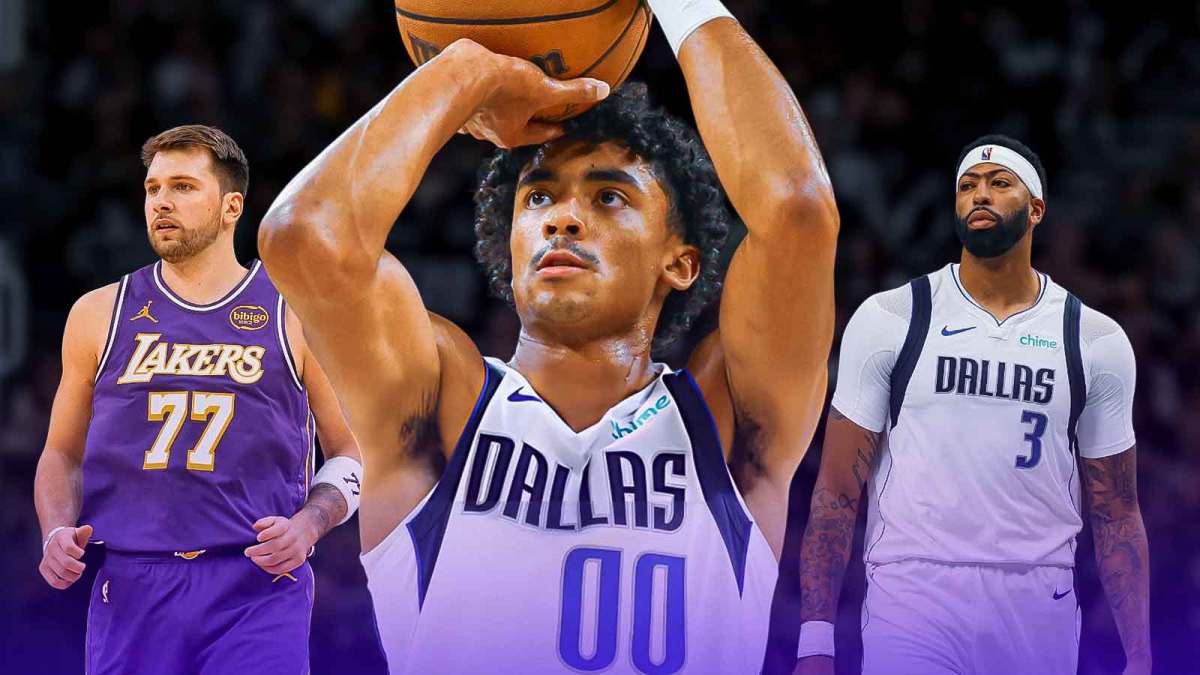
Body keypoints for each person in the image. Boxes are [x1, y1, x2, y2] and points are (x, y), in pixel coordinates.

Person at [257, 1, 838, 672]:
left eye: (608, 196)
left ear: (678, 261)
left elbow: (798, 211)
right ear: (509, 244)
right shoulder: (444, 398)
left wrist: (683, 2)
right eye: (537, 197)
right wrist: (463, 73)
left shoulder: (725, 415)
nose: (562, 218)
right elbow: (303, 239)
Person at [794, 135, 1150, 675]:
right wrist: (815, 639)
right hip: (912, 591)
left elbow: (1118, 511)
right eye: (968, 186)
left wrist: (1140, 654)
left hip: (1038, 597)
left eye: (999, 183)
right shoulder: (893, 317)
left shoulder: (1093, 339)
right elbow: (837, 491)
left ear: (1036, 210)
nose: (979, 194)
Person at [33, 125, 363, 675]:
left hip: (256, 582)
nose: (161, 201)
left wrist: (309, 525)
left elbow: (353, 453)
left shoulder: (297, 313)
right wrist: (55, 531)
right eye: (152, 188)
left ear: (232, 206)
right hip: (133, 582)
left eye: (183, 186)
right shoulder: (97, 313)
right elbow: (60, 455)